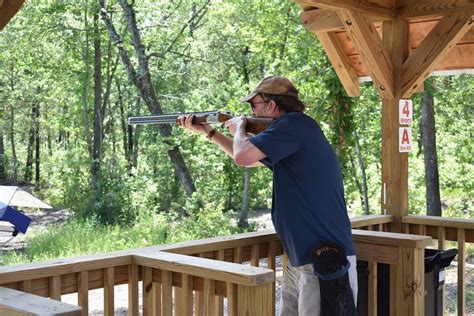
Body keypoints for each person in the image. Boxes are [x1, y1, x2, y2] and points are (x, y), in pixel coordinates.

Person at [178, 76, 357, 315]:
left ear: (271, 105)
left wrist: (240, 127)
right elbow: (243, 155)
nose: (250, 110)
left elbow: (243, 156)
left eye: (254, 105)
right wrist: (209, 132)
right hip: (302, 257)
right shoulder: (293, 131)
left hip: (323, 258)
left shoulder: (293, 125)